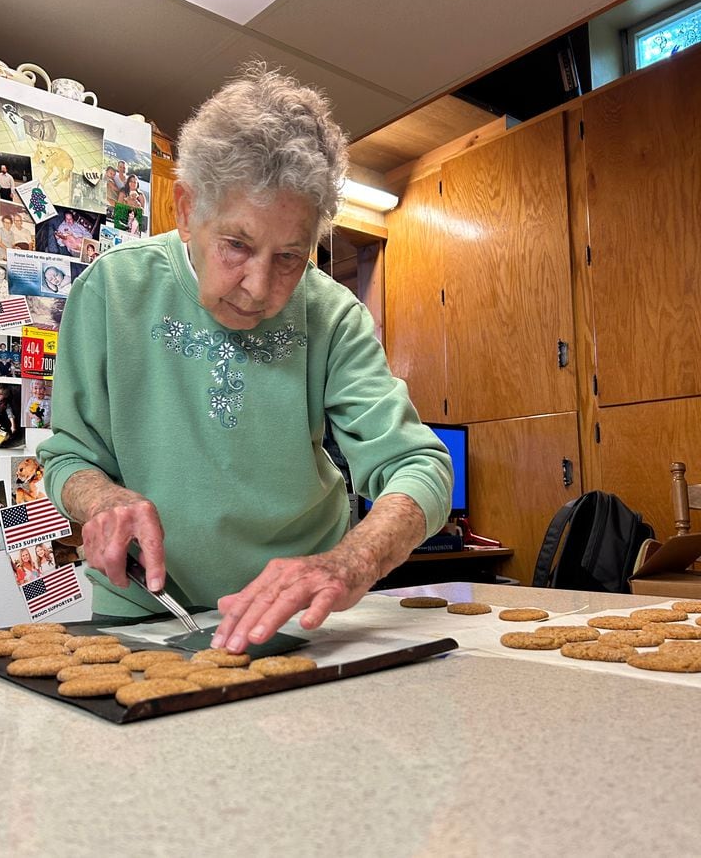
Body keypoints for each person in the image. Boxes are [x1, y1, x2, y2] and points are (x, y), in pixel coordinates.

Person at [39, 62, 452, 653]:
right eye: (236, 245)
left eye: (290, 256)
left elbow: (421, 467)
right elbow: (69, 457)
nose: (260, 287)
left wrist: (346, 564)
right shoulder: (111, 292)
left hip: (303, 614)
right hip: (151, 607)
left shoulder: (332, 315)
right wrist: (102, 499)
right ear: (185, 209)